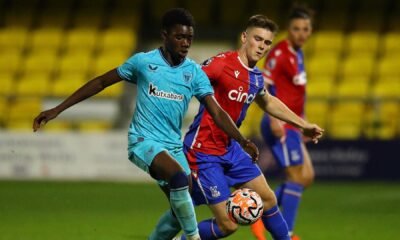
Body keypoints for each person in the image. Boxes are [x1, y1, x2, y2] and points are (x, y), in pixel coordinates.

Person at [32, 8, 259, 240]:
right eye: (179, 37)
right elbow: (101, 82)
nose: (185, 43)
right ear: (165, 35)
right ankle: (194, 238)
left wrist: (241, 140)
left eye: (189, 38)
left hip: (173, 146)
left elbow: (217, 112)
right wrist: (57, 109)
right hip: (143, 141)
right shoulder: (143, 62)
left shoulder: (193, 72)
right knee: (179, 179)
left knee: (181, 206)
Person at [168, 14, 323, 240]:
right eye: (257, 39)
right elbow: (188, 80)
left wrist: (302, 125)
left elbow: (268, 101)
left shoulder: (256, 77)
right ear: (244, 37)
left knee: (268, 199)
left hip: (231, 149)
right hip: (204, 153)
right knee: (228, 226)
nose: (262, 46)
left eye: (267, 42)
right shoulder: (221, 63)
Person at [252, 6, 315, 240]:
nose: (301, 33)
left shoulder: (298, 54)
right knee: (295, 177)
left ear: (310, 31)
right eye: (297, 29)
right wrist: (273, 118)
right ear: (290, 29)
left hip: (293, 124)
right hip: (281, 124)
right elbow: (265, 85)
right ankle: (285, 233)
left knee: (306, 176)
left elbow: (296, 92)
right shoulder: (279, 53)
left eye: (305, 29)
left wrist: (303, 121)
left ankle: (259, 212)